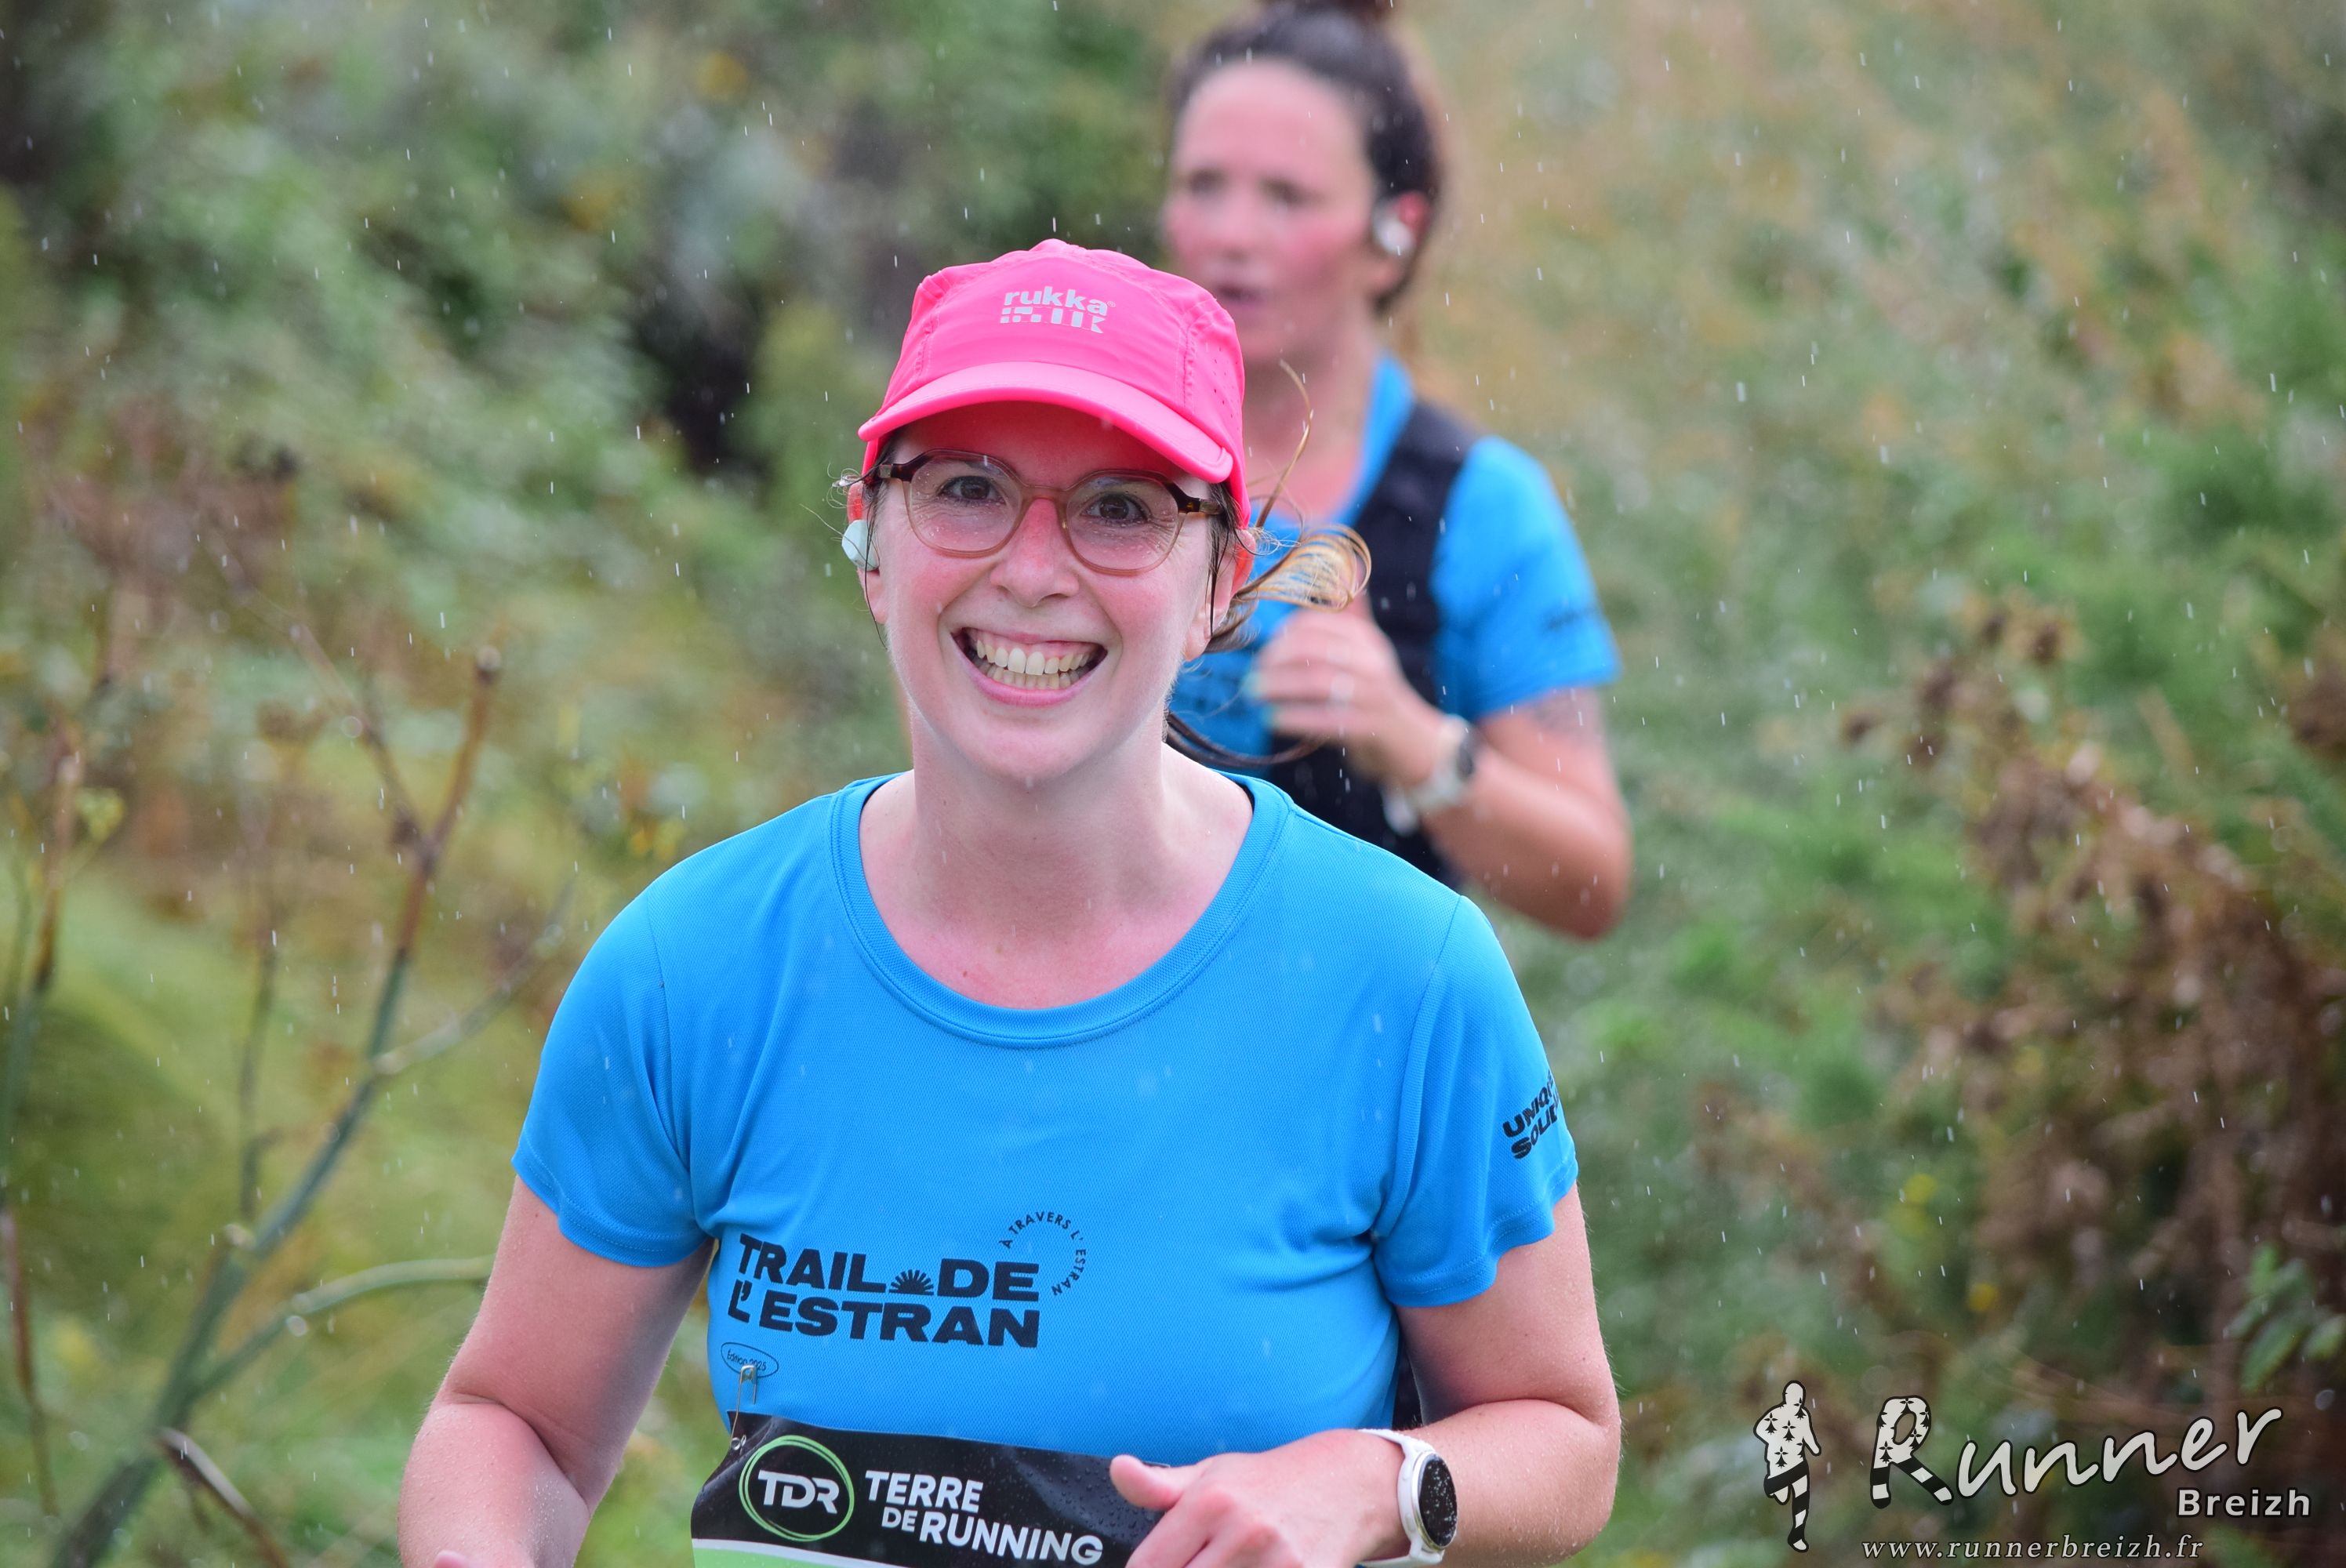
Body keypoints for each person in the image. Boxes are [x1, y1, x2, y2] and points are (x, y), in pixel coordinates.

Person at [398, 239, 1619, 1568]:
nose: (1034, 570)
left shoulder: (1401, 974)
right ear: (872, 543)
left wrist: (1381, 1484)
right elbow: (516, 1423)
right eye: (968, 490)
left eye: (1119, 509)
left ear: (1221, 580)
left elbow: (1562, 1435)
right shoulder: (694, 968)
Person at [1160, 0, 1632, 939]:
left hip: (1358, 1025)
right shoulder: (1086, 460)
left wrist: (1409, 739)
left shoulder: (1479, 506)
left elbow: (1591, 881)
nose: (1231, 234)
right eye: (1203, 184)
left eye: (1287, 196)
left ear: (1394, 235)